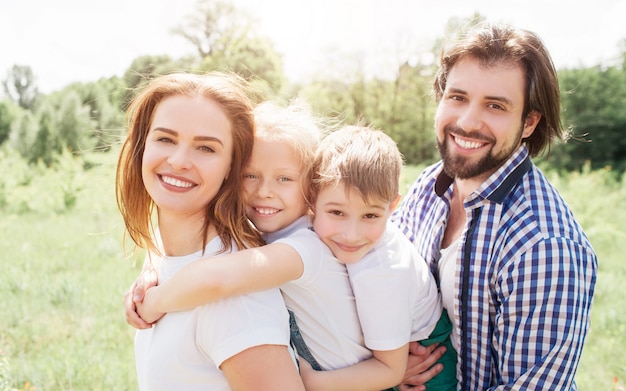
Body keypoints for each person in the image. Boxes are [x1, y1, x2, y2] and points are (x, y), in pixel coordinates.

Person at [127, 124, 456, 391]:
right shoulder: (306, 219)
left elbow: (218, 279)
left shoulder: (319, 246)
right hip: (369, 362)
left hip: (421, 361)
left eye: (284, 178)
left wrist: (153, 303)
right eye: (250, 176)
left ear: (309, 190)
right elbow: (179, 233)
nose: (264, 191)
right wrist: (151, 268)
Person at [392, 23, 598, 390]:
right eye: (457, 97)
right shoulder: (428, 186)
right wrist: (391, 365)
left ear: (529, 122)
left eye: (495, 106)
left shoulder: (545, 246)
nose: (468, 121)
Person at [116, 72, 304, 390]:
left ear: (233, 166)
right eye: (165, 138)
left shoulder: (235, 299)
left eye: (205, 148)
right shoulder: (171, 255)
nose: (178, 161)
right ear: (141, 146)